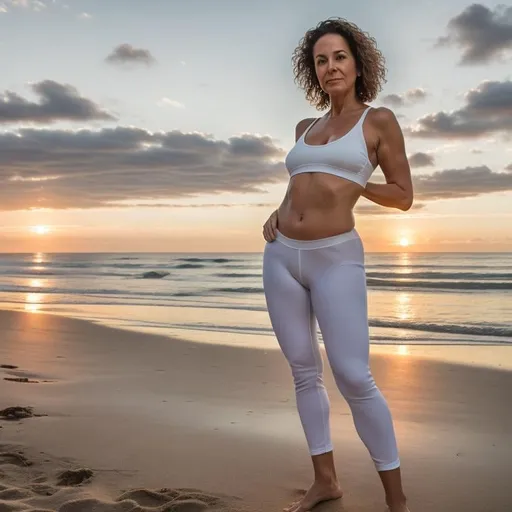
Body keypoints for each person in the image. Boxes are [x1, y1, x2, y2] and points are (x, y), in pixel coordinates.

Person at [261, 17, 413, 512]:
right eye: (321, 60)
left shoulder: (379, 121)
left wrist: (357, 185)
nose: (331, 67)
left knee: (352, 375)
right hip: (281, 255)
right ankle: (325, 481)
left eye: (339, 57)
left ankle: (396, 498)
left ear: (357, 62)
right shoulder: (306, 128)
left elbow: (404, 196)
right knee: (304, 372)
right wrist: (277, 212)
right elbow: (299, 183)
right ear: (314, 71)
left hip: (336, 258)